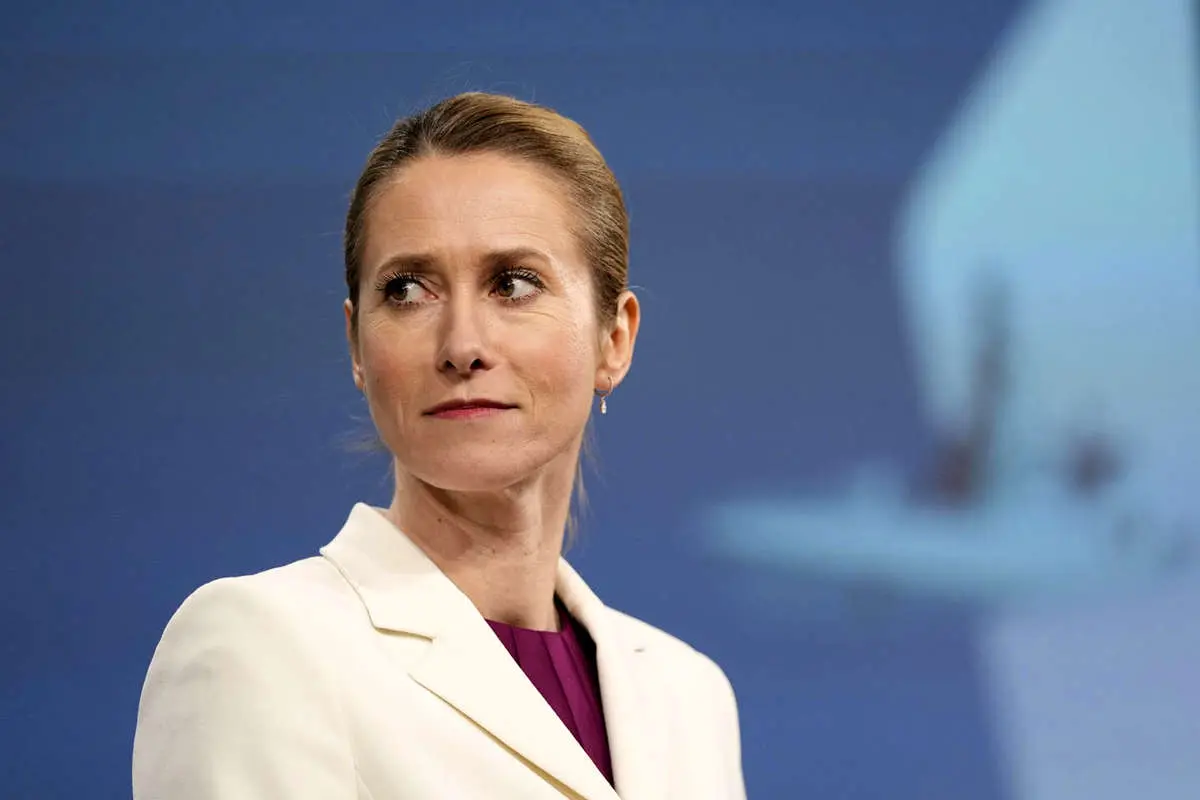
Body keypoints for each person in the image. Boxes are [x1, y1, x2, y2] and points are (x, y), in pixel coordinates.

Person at [132, 92, 746, 800]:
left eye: (513, 284)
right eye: (406, 291)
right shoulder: (262, 645)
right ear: (356, 345)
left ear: (614, 338)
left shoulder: (687, 695)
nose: (461, 345)